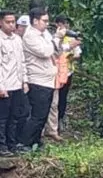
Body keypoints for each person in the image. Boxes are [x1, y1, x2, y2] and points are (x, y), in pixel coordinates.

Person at [19, 8, 57, 150]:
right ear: (35, 21)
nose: (47, 24)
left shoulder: (43, 34)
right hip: (37, 80)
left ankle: (35, 141)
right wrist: (56, 39)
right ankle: (24, 142)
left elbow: (54, 49)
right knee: (37, 115)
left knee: (43, 115)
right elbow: (45, 51)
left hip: (47, 80)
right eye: (44, 21)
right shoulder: (30, 35)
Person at [43, 14, 81, 139]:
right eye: (62, 24)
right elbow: (51, 51)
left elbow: (77, 54)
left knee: (61, 99)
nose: (65, 26)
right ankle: (48, 127)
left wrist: (68, 55)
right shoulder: (52, 37)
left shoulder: (71, 37)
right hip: (53, 73)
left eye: (66, 24)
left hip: (66, 73)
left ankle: (58, 122)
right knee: (50, 100)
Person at [0, 10, 28, 155]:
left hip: (17, 84)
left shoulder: (17, 39)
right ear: (1, 22)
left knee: (15, 116)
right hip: (5, 85)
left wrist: (25, 81)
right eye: (8, 22)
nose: (11, 25)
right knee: (2, 118)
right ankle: (2, 146)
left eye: (13, 22)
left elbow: (22, 61)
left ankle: (12, 144)